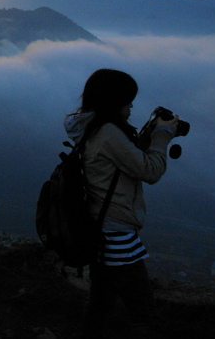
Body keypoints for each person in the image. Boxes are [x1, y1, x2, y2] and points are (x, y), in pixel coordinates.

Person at [64, 68, 181, 339]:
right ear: (113, 101)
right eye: (127, 101)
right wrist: (162, 136)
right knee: (142, 312)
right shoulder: (108, 133)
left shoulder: (90, 127)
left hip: (98, 229)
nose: (131, 106)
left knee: (101, 300)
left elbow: (121, 162)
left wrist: (147, 136)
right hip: (117, 234)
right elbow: (150, 171)